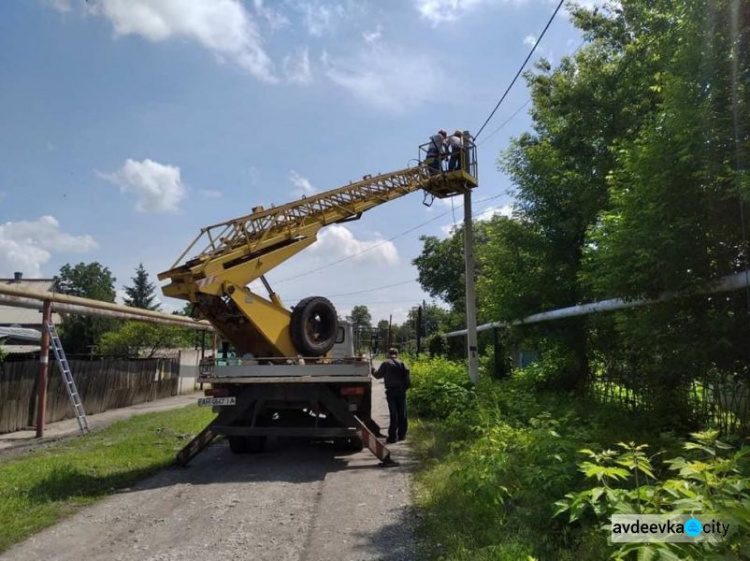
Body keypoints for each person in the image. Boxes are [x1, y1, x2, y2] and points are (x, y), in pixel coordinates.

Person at [371, 347, 411, 443]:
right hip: (401, 391)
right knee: (402, 412)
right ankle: (402, 435)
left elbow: (378, 375)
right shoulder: (402, 363)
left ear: (389, 354)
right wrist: (404, 388)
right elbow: (408, 380)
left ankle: (393, 437)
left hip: (391, 391)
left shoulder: (386, 363)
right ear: (397, 354)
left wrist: (371, 368)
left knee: (393, 414)